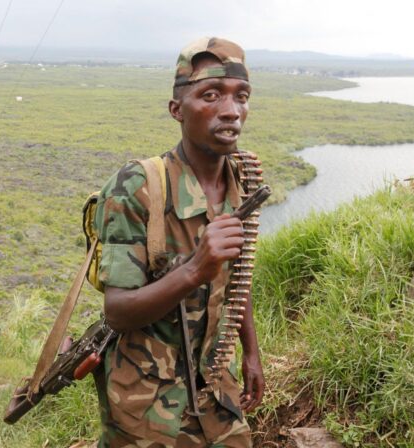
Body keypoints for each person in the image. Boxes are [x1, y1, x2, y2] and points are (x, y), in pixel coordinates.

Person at [92, 37, 265, 447]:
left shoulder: (241, 177)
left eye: (241, 97)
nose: (231, 110)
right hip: (145, 400)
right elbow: (117, 311)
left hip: (215, 382)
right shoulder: (136, 186)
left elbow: (238, 278)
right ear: (176, 110)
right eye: (211, 95)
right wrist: (194, 270)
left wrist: (251, 352)